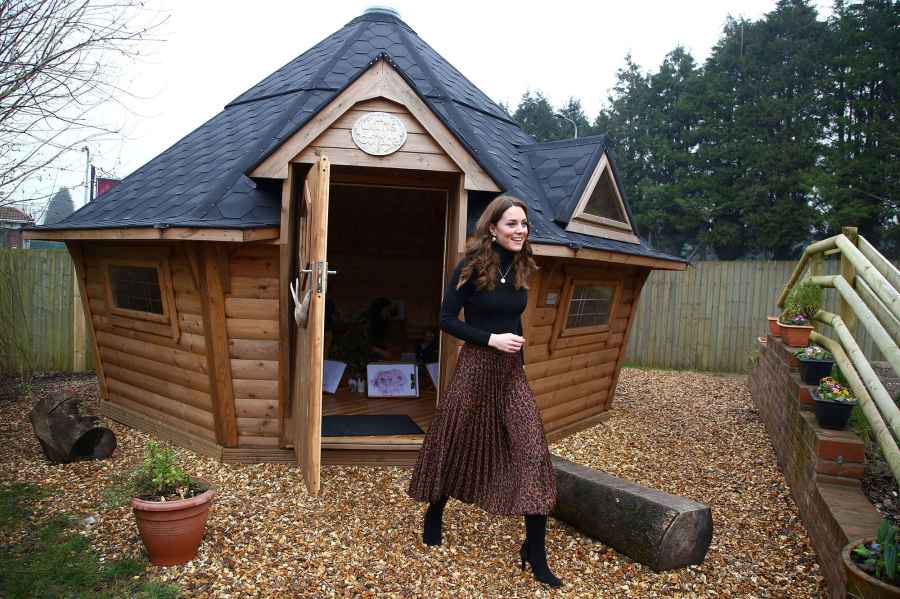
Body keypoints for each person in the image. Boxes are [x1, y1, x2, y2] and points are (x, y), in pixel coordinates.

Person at [406, 195, 561, 588]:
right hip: (476, 370)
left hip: (511, 376)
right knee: (456, 441)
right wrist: (490, 340)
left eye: (524, 224)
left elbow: (514, 319)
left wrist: (514, 350)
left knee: (532, 452)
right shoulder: (471, 268)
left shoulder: (523, 265)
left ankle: (535, 551)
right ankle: (436, 511)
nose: (520, 230)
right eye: (512, 224)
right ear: (493, 228)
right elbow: (444, 319)